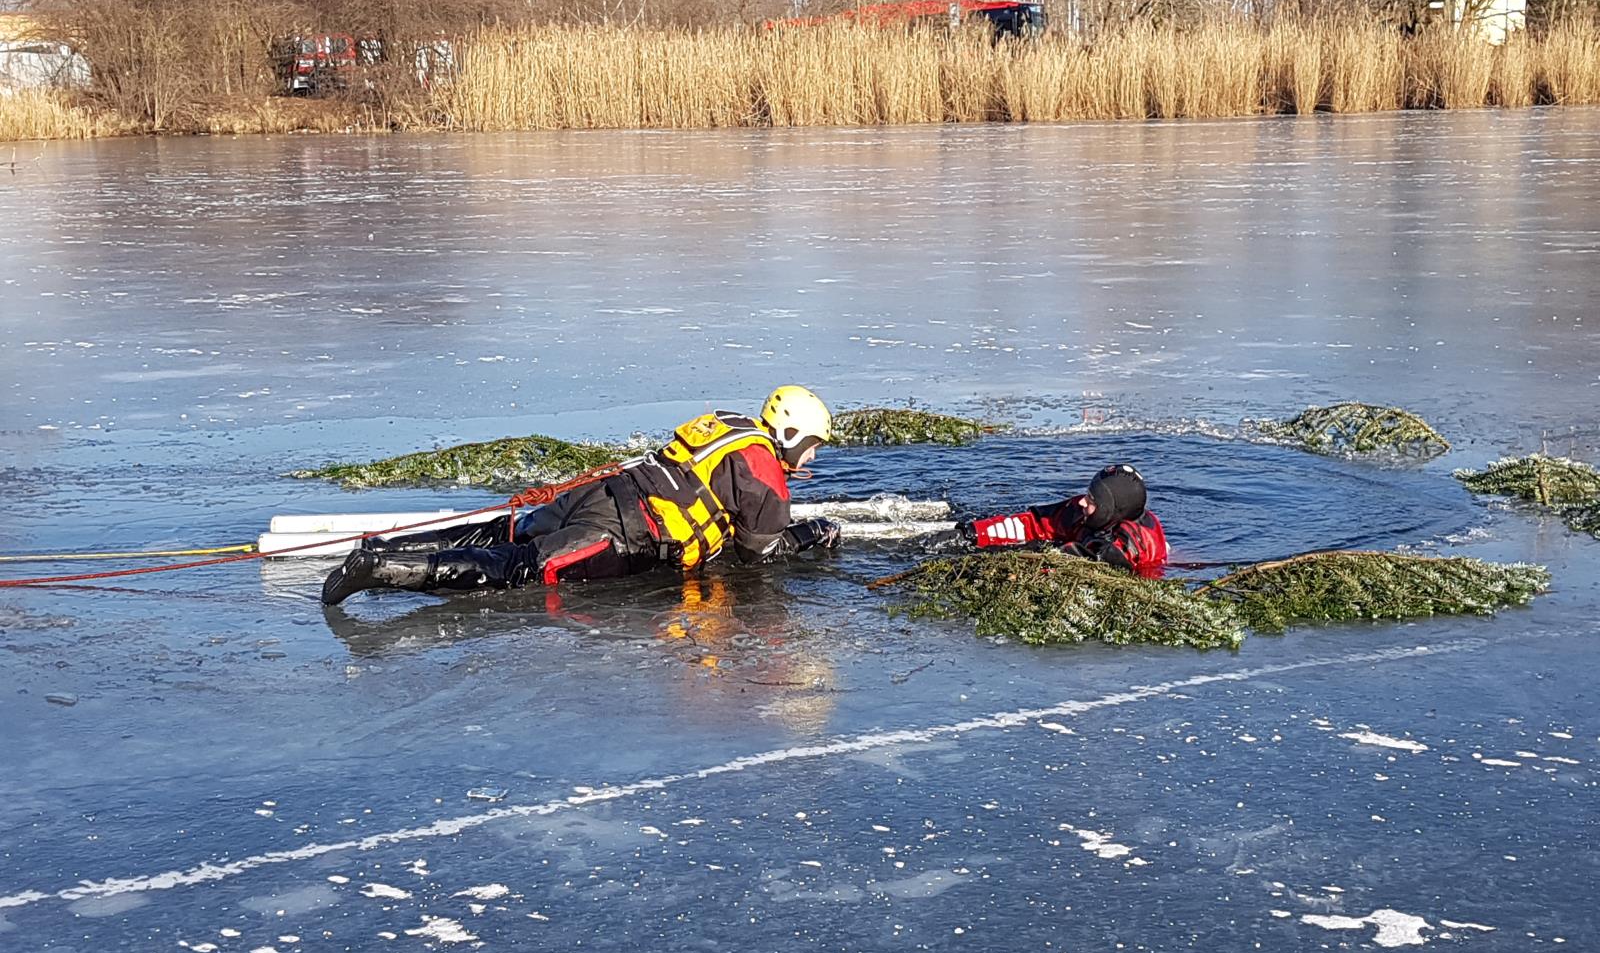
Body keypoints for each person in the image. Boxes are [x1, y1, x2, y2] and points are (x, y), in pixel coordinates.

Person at [321, 386, 841, 606]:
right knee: (520, 567)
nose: (812, 458)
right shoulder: (765, 469)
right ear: (793, 434)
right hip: (623, 535)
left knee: (509, 528)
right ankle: (380, 569)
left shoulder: (730, 425)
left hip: (600, 492)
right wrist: (814, 533)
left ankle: (384, 547)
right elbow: (760, 555)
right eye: (813, 446)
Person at [959, 463, 1168, 577]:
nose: (1083, 503)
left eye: (1092, 500)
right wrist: (972, 533)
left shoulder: (1132, 546)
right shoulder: (1084, 511)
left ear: (1110, 510)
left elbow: (1092, 568)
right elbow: (1035, 524)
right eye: (1087, 495)